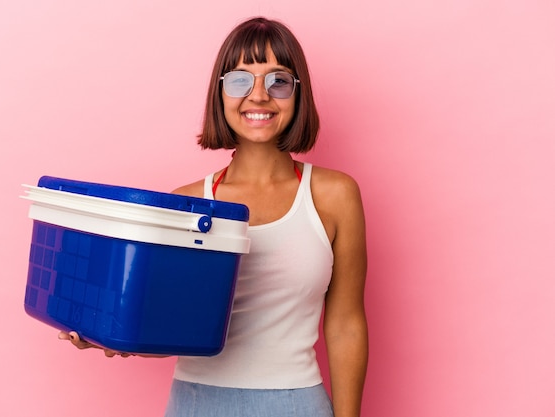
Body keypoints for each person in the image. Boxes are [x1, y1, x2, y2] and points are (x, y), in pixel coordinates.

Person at [59, 16, 368, 417]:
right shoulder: (183, 204)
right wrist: (109, 337)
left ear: (298, 94)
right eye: (240, 80)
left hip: (297, 403)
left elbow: (345, 325)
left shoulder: (335, 195)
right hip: (197, 403)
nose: (259, 96)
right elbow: (170, 330)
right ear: (220, 94)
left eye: (278, 81)